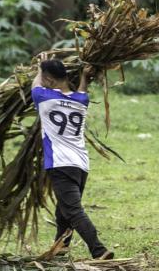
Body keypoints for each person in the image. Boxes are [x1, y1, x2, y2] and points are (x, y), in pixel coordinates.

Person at [31, 54, 113, 260]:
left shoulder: (44, 98)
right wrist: (85, 76)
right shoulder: (80, 101)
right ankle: (60, 249)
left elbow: (36, 85)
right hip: (80, 164)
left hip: (60, 164)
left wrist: (40, 67)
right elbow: (81, 90)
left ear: (49, 80)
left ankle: (98, 249)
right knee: (63, 211)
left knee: (74, 211)